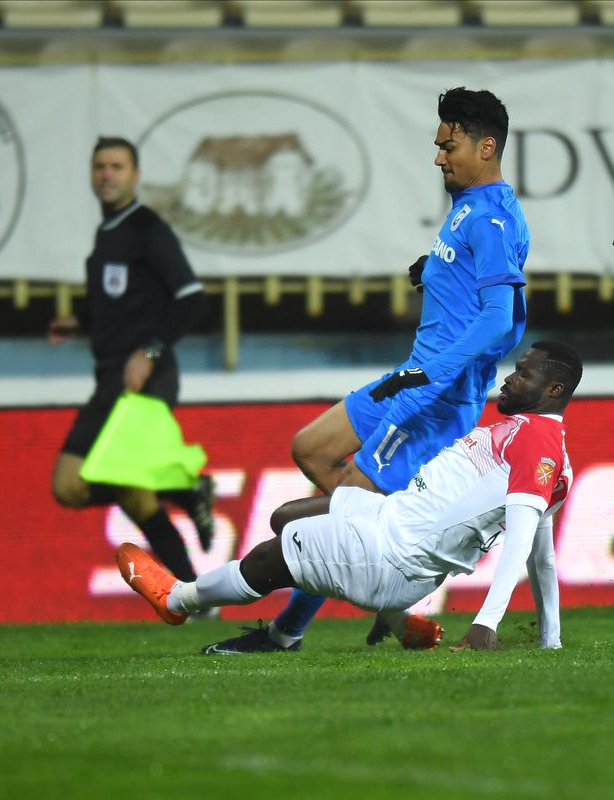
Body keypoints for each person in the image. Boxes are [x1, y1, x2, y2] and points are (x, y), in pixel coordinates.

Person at [204, 86, 531, 654]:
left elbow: (501, 319)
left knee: (340, 510)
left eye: (447, 145)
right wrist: (434, 268)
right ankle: (387, 597)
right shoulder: (469, 208)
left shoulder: (492, 219)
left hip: (432, 397)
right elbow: (473, 293)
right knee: (310, 449)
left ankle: (297, 628)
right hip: (413, 378)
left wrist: (437, 372)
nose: (437, 157)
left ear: (486, 146)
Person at [118, 341, 581, 652]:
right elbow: (544, 556)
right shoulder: (534, 442)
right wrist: (550, 640)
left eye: (523, 374)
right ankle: (396, 618)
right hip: (389, 518)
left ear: (554, 390)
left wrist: (486, 624)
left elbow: (523, 545)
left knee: (270, 557)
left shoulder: (538, 445)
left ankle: (176, 599)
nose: (509, 379)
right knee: (286, 517)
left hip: (392, 555)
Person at [50, 136, 215, 588]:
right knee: (135, 498)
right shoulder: (108, 234)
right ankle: (193, 595)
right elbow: (123, 302)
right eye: (100, 166)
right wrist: (79, 319)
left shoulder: (147, 229)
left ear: (135, 175)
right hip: (115, 377)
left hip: (142, 379)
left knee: (69, 485)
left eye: (117, 167)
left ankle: (186, 489)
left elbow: (192, 300)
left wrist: (149, 351)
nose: (107, 174)